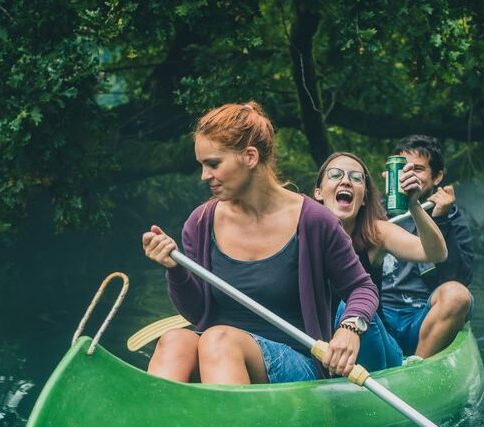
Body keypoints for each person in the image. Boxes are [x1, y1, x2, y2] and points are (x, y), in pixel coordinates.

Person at [141, 102, 378, 385]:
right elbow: (196, 313)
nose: (205, 176)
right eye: (202, 165)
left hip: (297, 363)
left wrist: (350, 327)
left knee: (220, 340)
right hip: (215, 354)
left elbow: (362, 287)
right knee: (173, 341)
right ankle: (155, 426)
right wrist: (175, 269)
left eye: (213, 164)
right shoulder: (200, 222)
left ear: (250, 157)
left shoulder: (315, 221)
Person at [312, 152, 447, 371]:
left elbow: (435, 253)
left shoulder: (375, 233)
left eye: (356, 178)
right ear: (318, 193)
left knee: (350, 304)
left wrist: (414, 205)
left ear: (363, 197)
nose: (346, 180)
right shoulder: (302, 233)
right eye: (335, 174)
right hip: (324, 350)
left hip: (377, 350)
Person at [380, 135, 475, 359]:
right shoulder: (372, 213)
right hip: (378, 317)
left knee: (457, 295)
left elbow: (458, 279)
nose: (410, 176)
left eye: (419, 169)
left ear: (437, 176)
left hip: (424, 318)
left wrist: (441, 219)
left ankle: (417, 366)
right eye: (404, 169)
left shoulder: (451, 216)